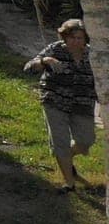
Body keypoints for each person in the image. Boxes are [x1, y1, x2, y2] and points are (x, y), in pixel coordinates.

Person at [25, 18, 96, 189]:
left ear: (85, 39)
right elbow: (28, 68)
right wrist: (44, 61)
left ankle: (67, 158)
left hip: (82, 103)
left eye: (79, 38)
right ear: (65, 37)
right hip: (55, 100)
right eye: (72, 37)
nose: (76, 41)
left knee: (85, 141)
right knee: (60, 142)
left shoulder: (93, 55)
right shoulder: (55, 49)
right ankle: (69, 183)